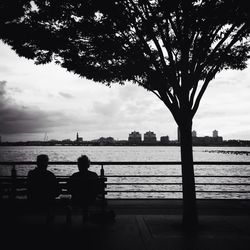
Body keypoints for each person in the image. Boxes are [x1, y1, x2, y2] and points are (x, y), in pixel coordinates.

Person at [67, 155, 99, 221]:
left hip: (77, 199)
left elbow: (68, 188)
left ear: (78, 165)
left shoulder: (74, 175)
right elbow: (98, 188)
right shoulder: (94, 175)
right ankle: (86, 216)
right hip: (91, 199)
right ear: (88, 165)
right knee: (86, 200)